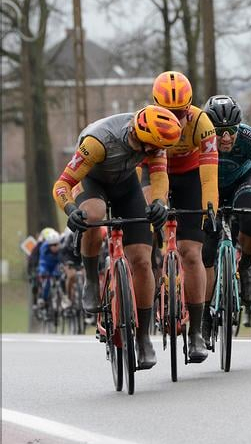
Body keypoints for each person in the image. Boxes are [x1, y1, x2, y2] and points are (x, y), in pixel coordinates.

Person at [52, 105, 182, 369]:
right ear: (140, 136)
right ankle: (91, 279)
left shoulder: (155, 141)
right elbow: (62, 184)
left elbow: (159, 178)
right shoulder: (98, 143)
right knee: (93, 215)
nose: (154, 153)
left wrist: (159, 203)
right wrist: (71, 210)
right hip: (92, 181)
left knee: (143, 262)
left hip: (125, 185)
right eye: (151, 148)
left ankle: (144, 337)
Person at [152, 70, 219, 362]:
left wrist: (211, 210)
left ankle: (195, 333)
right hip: (157, 172)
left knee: (192, 253)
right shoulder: (148, 121)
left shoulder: (202, 123)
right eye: (168, 112)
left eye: (181, 113)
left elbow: (209, 179)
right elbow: (150, 176)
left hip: (192, 176)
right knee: (145, 245)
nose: (176, 119)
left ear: (190, 108)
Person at [200, 95, 251, 342]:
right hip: (208, 185)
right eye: (219, 131)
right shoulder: (198, 138)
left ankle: (245, 267)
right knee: (207, 251)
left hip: (242, 182)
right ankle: (203, 313)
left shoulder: (250, 138)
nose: (226, 137)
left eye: (231, 131)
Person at [36, 228, 62, 307]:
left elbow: (62, 261)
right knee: (46, 281)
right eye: (52, 245)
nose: (55, 247)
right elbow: (42, 261)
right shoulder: (44, 248)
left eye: (57, 244)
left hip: (55, 266)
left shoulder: (61, 248)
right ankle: (43, 298)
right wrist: (43, 271)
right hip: (46, 265)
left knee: (61, 277)